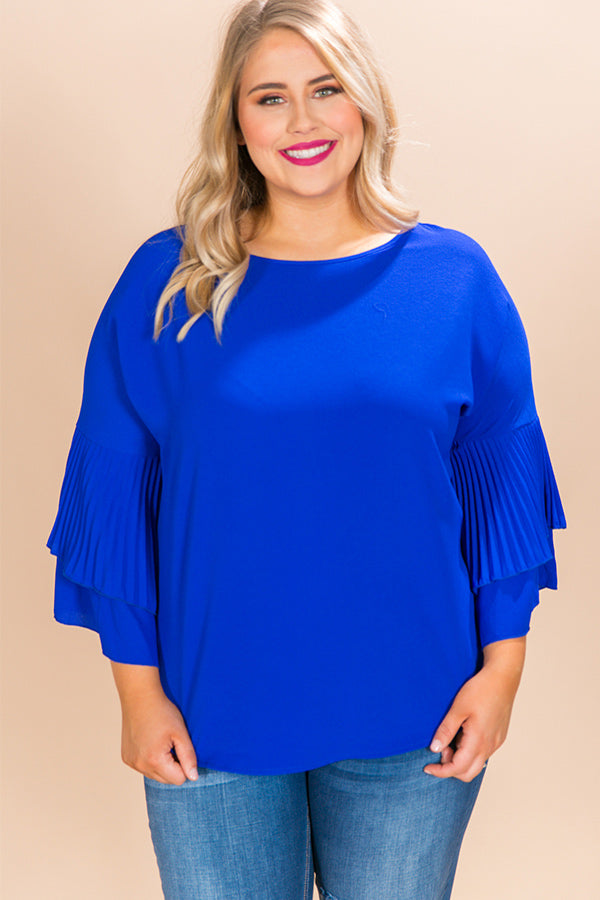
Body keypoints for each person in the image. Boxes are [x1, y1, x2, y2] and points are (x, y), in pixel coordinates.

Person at [46, 1, 567, 898]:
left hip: (418, 716)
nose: (302, 121)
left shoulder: (455, 281)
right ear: (235, 122)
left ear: (365, 101)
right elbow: (114, 499)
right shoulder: (166, 286)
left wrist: (502, 675)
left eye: (325, 89)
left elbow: (501, 491)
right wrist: (138, 693)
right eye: (270, 97)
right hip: (209, 718)